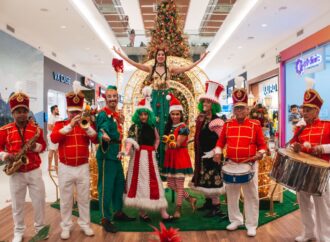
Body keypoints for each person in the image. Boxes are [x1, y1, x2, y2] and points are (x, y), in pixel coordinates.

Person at [113, 45, 209, 173]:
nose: (160, 56)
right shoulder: (150, 69)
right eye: (158, 54)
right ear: (156, 56)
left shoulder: (170, 69)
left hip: (166, 99)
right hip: (155, 98)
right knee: (154, 125)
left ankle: (165, 165)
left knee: (166, 126)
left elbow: (187, 68)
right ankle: (154, 164)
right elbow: (136, 64)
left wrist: (200, 60)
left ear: (165, 56)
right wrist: (121, 55)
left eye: (162, 54)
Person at [214, 76, 266, 237]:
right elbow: (220, 143)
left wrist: (260, 154)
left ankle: (251, 224)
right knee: (232, 193)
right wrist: (217, 153)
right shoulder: (228, 125)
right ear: (233, 110)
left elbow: (263, 145)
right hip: (231, 164)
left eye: (242, 108)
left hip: (249, 165)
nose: (239, 111)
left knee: (251, 194)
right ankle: (236, 219)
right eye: (237, 108)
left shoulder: (255, 125)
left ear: (247, 109)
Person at [50, 82, 97, 240]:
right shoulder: (60, 124)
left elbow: (96, 140)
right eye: (72, 112)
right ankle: (66, 226)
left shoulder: (86, 124)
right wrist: (69, 126)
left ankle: (85, 224)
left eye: (77, 111)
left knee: (84, 198)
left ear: (81, 111)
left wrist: (87, 128)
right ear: (67, 111)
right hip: (65, 167)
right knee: (66, 199)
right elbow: (54, 138)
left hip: (82, 167)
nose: (74, 115)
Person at [0, 92, 47, 242]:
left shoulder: (36, 129)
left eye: (24, 111)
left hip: (34, 170)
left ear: (28, 112)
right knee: (17, 203)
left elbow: (44, 146)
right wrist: (5, 156)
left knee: (39, 201)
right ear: (13, 113)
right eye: (18, 112)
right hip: (16, 172)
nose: (22, 115)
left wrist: (36, 146)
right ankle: (18, 231)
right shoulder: (4, 130)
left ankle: (40, 229)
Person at [124, 86, 174, 222]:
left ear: (149, 114)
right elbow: (129, 141)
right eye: (141, 114)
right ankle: (142, 212)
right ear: (138, 115)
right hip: (138, 159)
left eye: (145, 114)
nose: (143, 116)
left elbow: (157, 139)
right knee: (140, 184)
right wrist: (126, 151)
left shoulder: (153, 126)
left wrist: (155, 148)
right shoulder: (134, 127)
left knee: (155, 182)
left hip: (150, 157)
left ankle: (163, 211)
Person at [290, 78, 330, 242]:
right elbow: (293, 145)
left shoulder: (327, 126)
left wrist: (320, 148)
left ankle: (325, 237)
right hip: (303, 172)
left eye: (308, 110)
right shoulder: (300, 128)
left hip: (323, 172)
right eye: (303, 109)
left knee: (323, 206)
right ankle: (309, 233)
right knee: (304, 203)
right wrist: (295, 147)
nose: (304, 113)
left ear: (316, 111)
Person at [95, 85, 135, 233]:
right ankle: (105, 218)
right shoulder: (103, 114)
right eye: (110, 96)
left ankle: (118, 211)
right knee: (106, 187)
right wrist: (103, 135)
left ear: (117, 98)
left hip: (117, 155)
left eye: (115, 96)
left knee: (119, 185)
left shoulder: (116, 114)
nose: (112, 99)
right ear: (106, 98)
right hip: (107, 156)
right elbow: (101, 129)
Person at [190, 80, 226, 217]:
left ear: (214, 105)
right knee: (204, 179)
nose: (205, 104)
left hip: (212, 156)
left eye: (208, 102)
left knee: (212, 181)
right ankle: (208, 203)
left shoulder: (217, 121)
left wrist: (214, 153)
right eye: (204, 101)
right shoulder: (201, 118)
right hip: (201, 155)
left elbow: (222, 140)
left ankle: (216, 207)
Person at [162, 93, 195, 218]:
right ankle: (190, 198)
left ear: (181, 114)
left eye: (177, 114)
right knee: (170, 184)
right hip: (171, 158)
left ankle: (178, 208)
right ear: (170, 115)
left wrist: (169, 143)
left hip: (180, 157)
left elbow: (177, 144)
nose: (175, 116)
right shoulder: (169, 127)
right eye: (173, 114)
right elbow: (167, 145)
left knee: (180, 185)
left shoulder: (183, 127)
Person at [47, 105, 61, 172]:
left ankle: (56, 167)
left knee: (56, 152)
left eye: (58, 109)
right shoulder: (51, 117)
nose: (58, 110)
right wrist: (57, 128)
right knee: (51, 151)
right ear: (53, 111)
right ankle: (49, 167)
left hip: (56, 136)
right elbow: (49, 127)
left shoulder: (57, 117)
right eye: (56, 109)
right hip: (51, 137)